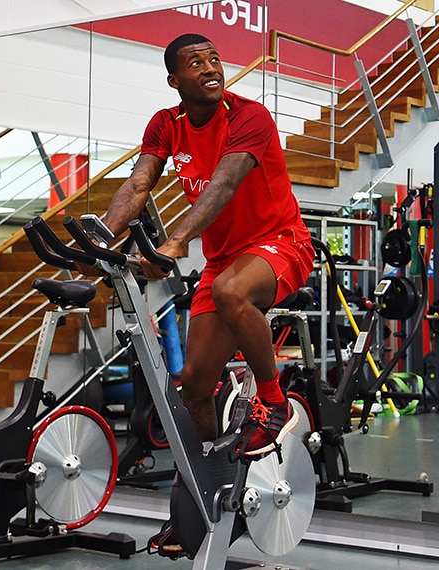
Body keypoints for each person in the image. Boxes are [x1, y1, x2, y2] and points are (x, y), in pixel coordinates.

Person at [88, 34, 314, 457]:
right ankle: (205, 486)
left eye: (214, 59)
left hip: (280, 243)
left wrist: (174, 243)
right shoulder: (166, 124)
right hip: (224, 258)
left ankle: (274, 401)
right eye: (196, 64)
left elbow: (223, 183)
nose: (211, 68)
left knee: (233, 291)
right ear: (174, 80)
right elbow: (139, 185)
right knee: (193, 383)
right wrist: (101, 236)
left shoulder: (250, 116)